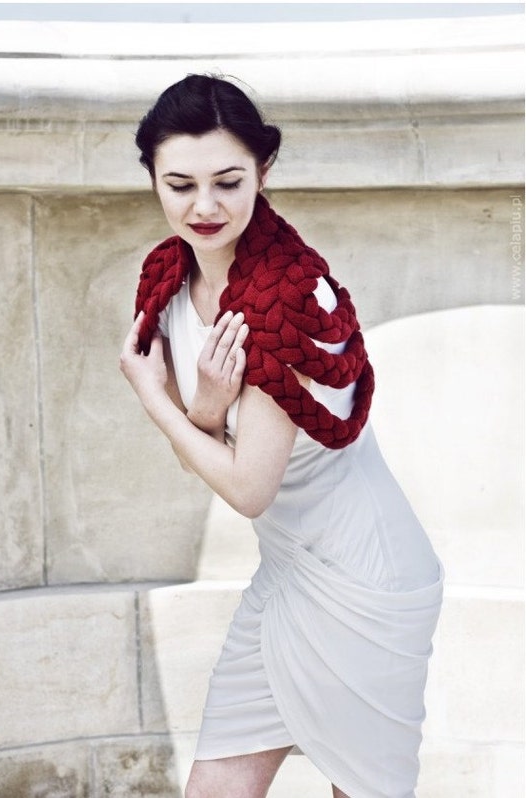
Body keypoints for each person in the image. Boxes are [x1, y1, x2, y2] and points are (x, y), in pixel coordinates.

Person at [120, 74, 443, 798]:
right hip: (290, 575)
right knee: (214, 788)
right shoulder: (167, 277)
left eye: (228, 182)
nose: (204, 207)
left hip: (368, 576)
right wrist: (205, 407)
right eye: (180, 184)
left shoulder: (286, 302)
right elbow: (204, 455)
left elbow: (246, 488)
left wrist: (154, 396)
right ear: (152, 178)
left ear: (264, 171)